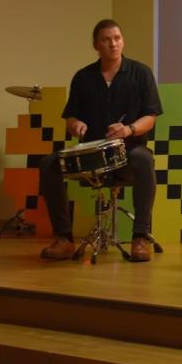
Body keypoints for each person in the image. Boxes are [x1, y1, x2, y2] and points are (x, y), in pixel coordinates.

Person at [39, 19, 163, 262]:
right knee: (49, 163)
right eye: (106, 40)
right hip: (91, 155)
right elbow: (71, 116)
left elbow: (151, 117)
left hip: (127, 152)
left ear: (122, 41)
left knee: (144, 159)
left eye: (117, 38)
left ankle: (140, 237)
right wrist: (75, 124)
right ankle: (64, 238)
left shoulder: (141, 73)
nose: (113, 44)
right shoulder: (83, 77)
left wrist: (128, 129)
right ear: (96, 45)